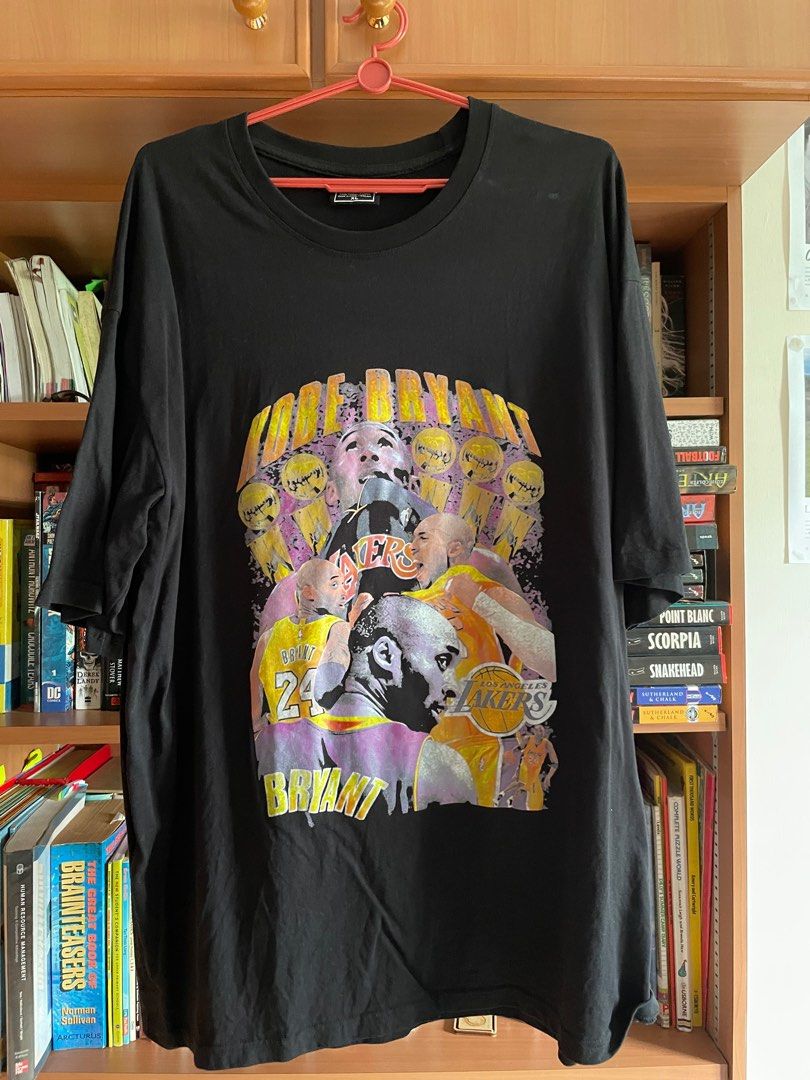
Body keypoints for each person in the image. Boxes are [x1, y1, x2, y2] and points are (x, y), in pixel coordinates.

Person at [255, 594, 477, 815]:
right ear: (385, 654)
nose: (454, 688)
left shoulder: (266, 746)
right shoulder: (439, 767)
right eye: (443, 661)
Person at [324, 422, 434, 597]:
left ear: (413, 486)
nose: (368, 453)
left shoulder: (455, 557)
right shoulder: (300, 586)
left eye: (384, 443)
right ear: (332, 492)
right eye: (353, 446)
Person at [250, 558, 347, 734]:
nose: (344, 593)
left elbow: (254, 719)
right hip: (321, 742)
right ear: (309, 592)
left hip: (280, 742)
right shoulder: (338, 628)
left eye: (343, 584)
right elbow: (330, 682)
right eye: (334, 585)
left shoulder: (267, 638)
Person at [499, 724, 558, 811]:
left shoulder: (547, 744)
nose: (542, 732)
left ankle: (508, 797)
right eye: (539, 730)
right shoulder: (528, 739)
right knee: (522, 783)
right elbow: (519, 747)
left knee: (523, 787)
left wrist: (548, 777)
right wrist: (511, 753)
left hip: (535, 770)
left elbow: (555, 763)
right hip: (525, 766)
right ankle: (505, 795)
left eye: (542, 730)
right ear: (534, 731)